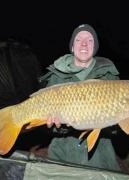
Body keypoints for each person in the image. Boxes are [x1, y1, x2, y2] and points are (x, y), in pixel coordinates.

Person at [39, 24, 121, 171]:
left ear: (95, 47)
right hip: (63, 151)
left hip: (100, 153)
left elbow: (116, 130)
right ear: (72, 46)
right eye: (78, 39)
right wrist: (58, 127)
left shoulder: (109, 77)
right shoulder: (56, 77)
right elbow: (46, 129)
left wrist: (127, 118)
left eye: (89, 40)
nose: (84, 43)